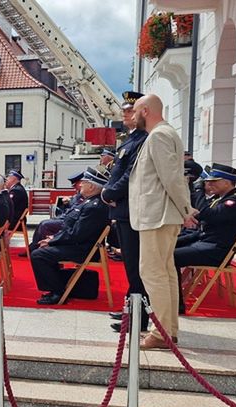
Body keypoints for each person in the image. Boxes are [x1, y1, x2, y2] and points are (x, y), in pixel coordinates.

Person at [129, 94, 195, 350]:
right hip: (160, 215)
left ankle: (161, 332)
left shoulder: (158, 136)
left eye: (135, 111)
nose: (132, 116)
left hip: (157, 215)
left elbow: (172, 178)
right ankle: (168, 330)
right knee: (165, 274)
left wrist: (186, 210)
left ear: (145, 110)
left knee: (153, 274)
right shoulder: (164, 134)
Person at [102, 90, 150, 332]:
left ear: (142, 112)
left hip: (130, 211)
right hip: (122, 211)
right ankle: (131, 311)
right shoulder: (130, 139)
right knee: (131, 267)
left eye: (130, 110)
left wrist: (108, 194)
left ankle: (139, 318)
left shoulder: (143, 139)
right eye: (124, 110)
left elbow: (130, 176)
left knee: (136, 268)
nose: (125, 113)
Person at [175, 163, 236, 311]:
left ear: (227, 182)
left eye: (213, 181)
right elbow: (201, 230)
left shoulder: (235, 202)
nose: (208, 184)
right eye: (208, 181)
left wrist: (198, 190)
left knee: (170, 257)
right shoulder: (219, 198)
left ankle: (176, 305)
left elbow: (205, 215)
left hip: (215, 251)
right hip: (205, 244)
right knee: (168, 248)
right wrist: (176, 241)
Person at [31, 167, 111, 305]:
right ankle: (57, 287)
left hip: (83, 249)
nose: (80, 184)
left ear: (91, 186)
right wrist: (53, 239)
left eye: (84, 182)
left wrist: (52, 242)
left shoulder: (94, 206)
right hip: (79, 245)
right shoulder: (89, 202)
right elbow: (72, 229)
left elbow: (76, 234)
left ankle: (57, 292)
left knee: (39, 255)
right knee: (42, 251)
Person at [28, 168, 90, 256]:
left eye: (75, 184)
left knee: (45, 225)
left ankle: (41, 249)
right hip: (68, 219)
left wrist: (69, 201)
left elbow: (76, 207)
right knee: (43, 223)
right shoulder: (80, 193)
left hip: (71, 223)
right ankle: (34, 247)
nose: (74, 187)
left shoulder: (84, 195)